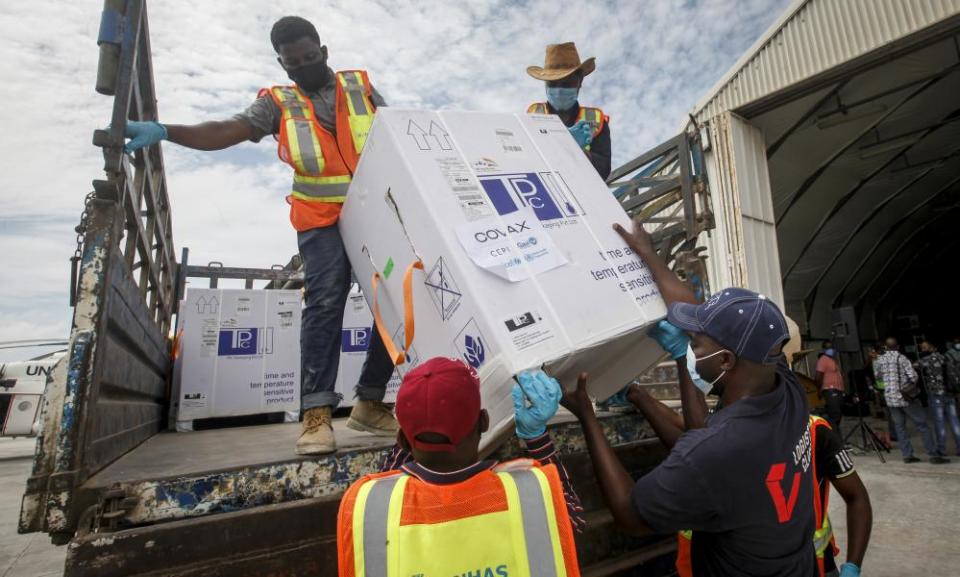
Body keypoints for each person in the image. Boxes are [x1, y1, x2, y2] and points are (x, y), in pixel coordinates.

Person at [121, 16, 397, 455]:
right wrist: (167, 132)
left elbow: (394, 136)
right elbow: (226, 131)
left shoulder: (359, 88)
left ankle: (369, 400)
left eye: (310, 57)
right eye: (294, 63)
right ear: (282, 65)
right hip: (321, 220)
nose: (304, 67)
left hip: (374, 215)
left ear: (323, 52)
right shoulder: (278, 103)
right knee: (326, 301)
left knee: (395, 301)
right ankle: (316, 415)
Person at [561, 219, 816, 577]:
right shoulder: (784, 388)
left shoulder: (718, 450)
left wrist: (587, 415)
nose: (692, 349)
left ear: (726, 360)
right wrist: (648, 254)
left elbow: (630, 515)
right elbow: (695, 311)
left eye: (696, 343)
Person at [628, 344, 871, 577]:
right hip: (714, 559)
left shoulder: (815, 431)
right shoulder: (731, 416)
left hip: (804, 562)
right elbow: (689, 437)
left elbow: (856, 496)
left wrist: (853, 566)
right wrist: (639, 396)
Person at [337, 357, 582, 577]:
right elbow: (569, 516)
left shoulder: (368, 507)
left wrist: (416, 423)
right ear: (484, 422)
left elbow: (386, 493)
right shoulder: (527, 492)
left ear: (402, 440)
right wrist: (536, 435)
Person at [527, 42, 612, 179]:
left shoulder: (596, 120)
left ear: (580, 83)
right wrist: (566, 143)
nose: (559, 90)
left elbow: (604, 170)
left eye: (567, 83)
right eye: (553, 84)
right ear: (545, 84)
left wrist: (579, 152)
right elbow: (526, 159)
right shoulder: (532, 115)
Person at [871, 338, 945, 464]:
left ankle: (907, 455)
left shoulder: (880, 360)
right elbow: (913, 377)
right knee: (922, 424)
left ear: (886, 347)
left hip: (891, 399)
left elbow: (878, 376)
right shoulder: (902, 359)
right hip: (905, 398)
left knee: (900, 427)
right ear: (898, 346)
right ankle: (933, 454)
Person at [917, 340, 960, 457]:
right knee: (954, 421)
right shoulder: (945, 357)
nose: (923, 350)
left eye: (924, 348)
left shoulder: (926, 359)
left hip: (935, 395)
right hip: (949, 393)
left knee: (939, 423)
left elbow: (914, 366)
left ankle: (942, 449)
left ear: (932, 347)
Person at [816, 341, 845, 432]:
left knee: (838, 413)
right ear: (824, 350)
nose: (831, 350)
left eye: (831, 347)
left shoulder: (833, 359)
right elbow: (818, 376)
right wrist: (819, 389)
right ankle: (833, 435)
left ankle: (835, 433)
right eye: (828, 348)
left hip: (838, 390)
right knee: (835, 414)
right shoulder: (823, 360)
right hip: (830, 390)